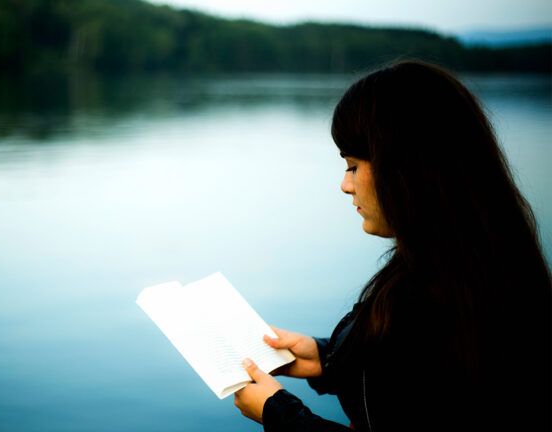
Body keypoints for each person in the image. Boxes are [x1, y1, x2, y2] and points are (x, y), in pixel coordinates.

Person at [232, 59, 552, 431]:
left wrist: (279, 413)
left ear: (404, 169)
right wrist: (327, 358)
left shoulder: (426, 299)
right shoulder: (486, 264)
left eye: (353, 165)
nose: (345, 185)